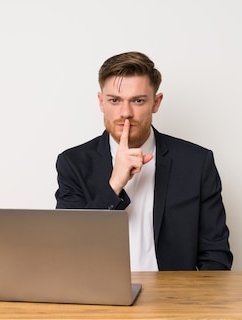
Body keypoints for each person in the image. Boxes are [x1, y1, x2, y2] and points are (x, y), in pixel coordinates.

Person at [55, 51, 232, 271]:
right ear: (101, 102)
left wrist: (192, 303)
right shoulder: (73, 163)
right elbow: (69, 248)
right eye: (115, 100)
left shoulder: (196, 163)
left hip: (174, 300)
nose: (126, 113)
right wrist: (114, 185)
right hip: (100, 298)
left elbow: (215, 256)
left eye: (138, 101)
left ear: (156, 103)